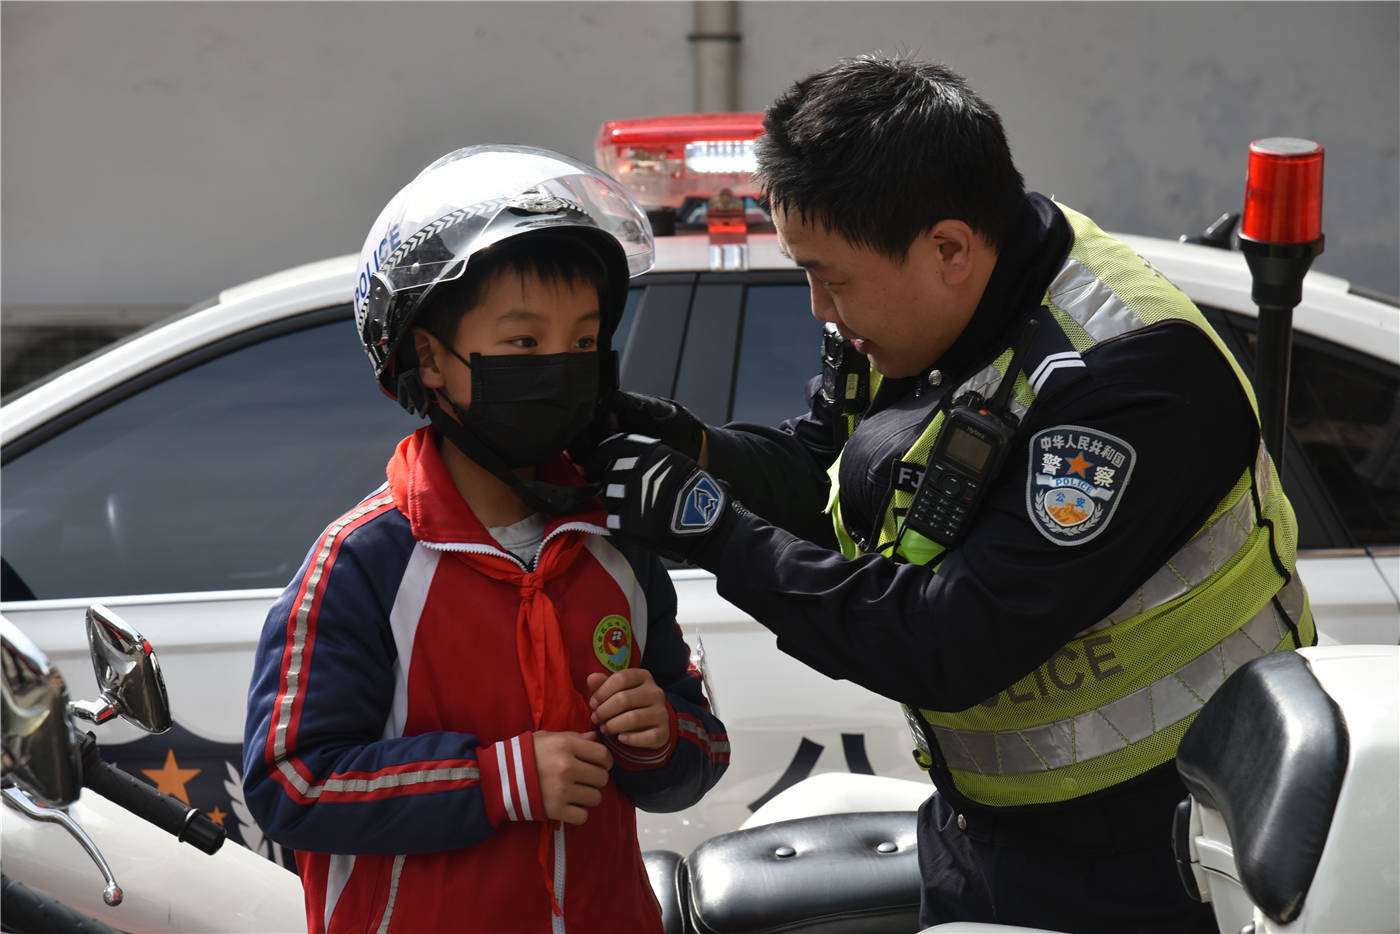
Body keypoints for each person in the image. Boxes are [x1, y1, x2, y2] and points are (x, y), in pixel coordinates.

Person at [591, 56, 1314, 933]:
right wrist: (696, 448)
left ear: (948, 249)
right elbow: (828, 474)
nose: (820, 307)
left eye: (834, 278)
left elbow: (947, 641)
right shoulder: (934, 307)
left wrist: (706, 524)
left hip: (1166, 859)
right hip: (985, 834)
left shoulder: (1128, 384)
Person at [242, 145, 729, 934]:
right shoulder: (364, 561)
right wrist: (497, 780)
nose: (562, 368)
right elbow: (290, 782)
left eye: (582, 343)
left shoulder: (616, 537)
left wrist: (660, 735)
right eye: (523, 344)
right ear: (430, 358)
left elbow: (697, 754)